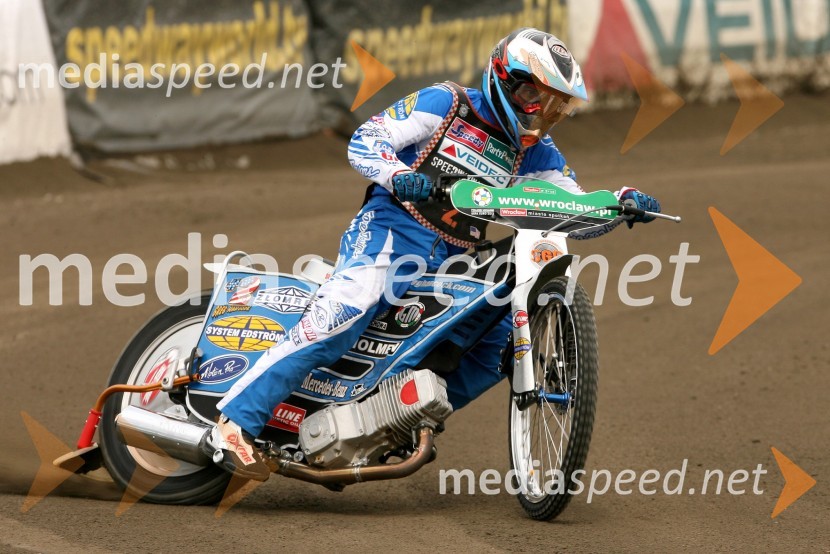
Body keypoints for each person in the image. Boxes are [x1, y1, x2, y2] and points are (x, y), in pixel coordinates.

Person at [209, 28, 661, 481]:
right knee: (346, 310)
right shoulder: (447, 103)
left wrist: (618, 204)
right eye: (534, 96)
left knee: (499, 340)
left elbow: (571, 208)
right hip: (390, 230)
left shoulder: (536, 152)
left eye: (555, 105)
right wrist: (397, 174)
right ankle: (234, 425)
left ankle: (390, 423)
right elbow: (366, 139)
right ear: (504, 79)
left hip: (454, 258)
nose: (542, 112)